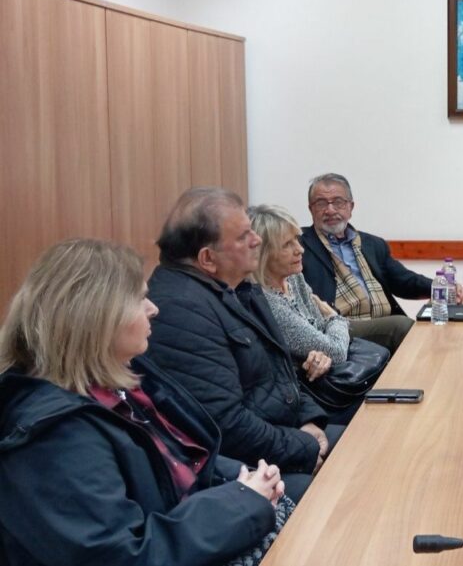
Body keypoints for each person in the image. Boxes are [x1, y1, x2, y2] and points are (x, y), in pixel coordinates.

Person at [0, 239, 283, 565]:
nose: (153, 309)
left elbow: (184, 459)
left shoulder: (117, 380)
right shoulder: (55, 436)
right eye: (139, 299)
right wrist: (241, 503)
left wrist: (248, 479)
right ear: (96, 318)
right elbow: (122, 557)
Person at [146, 187, 341, 502]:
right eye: (243, 236)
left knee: (368, 441)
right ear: (207, 258)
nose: (257, 240)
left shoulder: (237, 288)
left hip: (282, 436)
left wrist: (310, 420)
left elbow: (282, 375)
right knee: (348, 480)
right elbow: (225, 426)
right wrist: (303, 446)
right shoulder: (181, 311)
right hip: (245, 468)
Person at [301, 173, 463, 355]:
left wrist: (438, 286)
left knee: (438, 322)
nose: (330, 210)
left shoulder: (372, 244)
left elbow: (402, 280)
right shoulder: (300, 246)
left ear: (350, 207)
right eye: (321, 203)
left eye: (338, 202)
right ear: (311, 209)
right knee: (402, 326)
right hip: (340, 326)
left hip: (383, 319)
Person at [250, 204, 382, 424]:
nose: (300, 249)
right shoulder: (269, 302)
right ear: (263, 253)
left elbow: (324, 339)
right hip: (309, 396)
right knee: (378, 412)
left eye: (297, 239)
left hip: (327, 381)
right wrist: (335, 318)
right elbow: (336, 349)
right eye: (287, 245)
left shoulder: (293, 278)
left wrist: (324, 346)